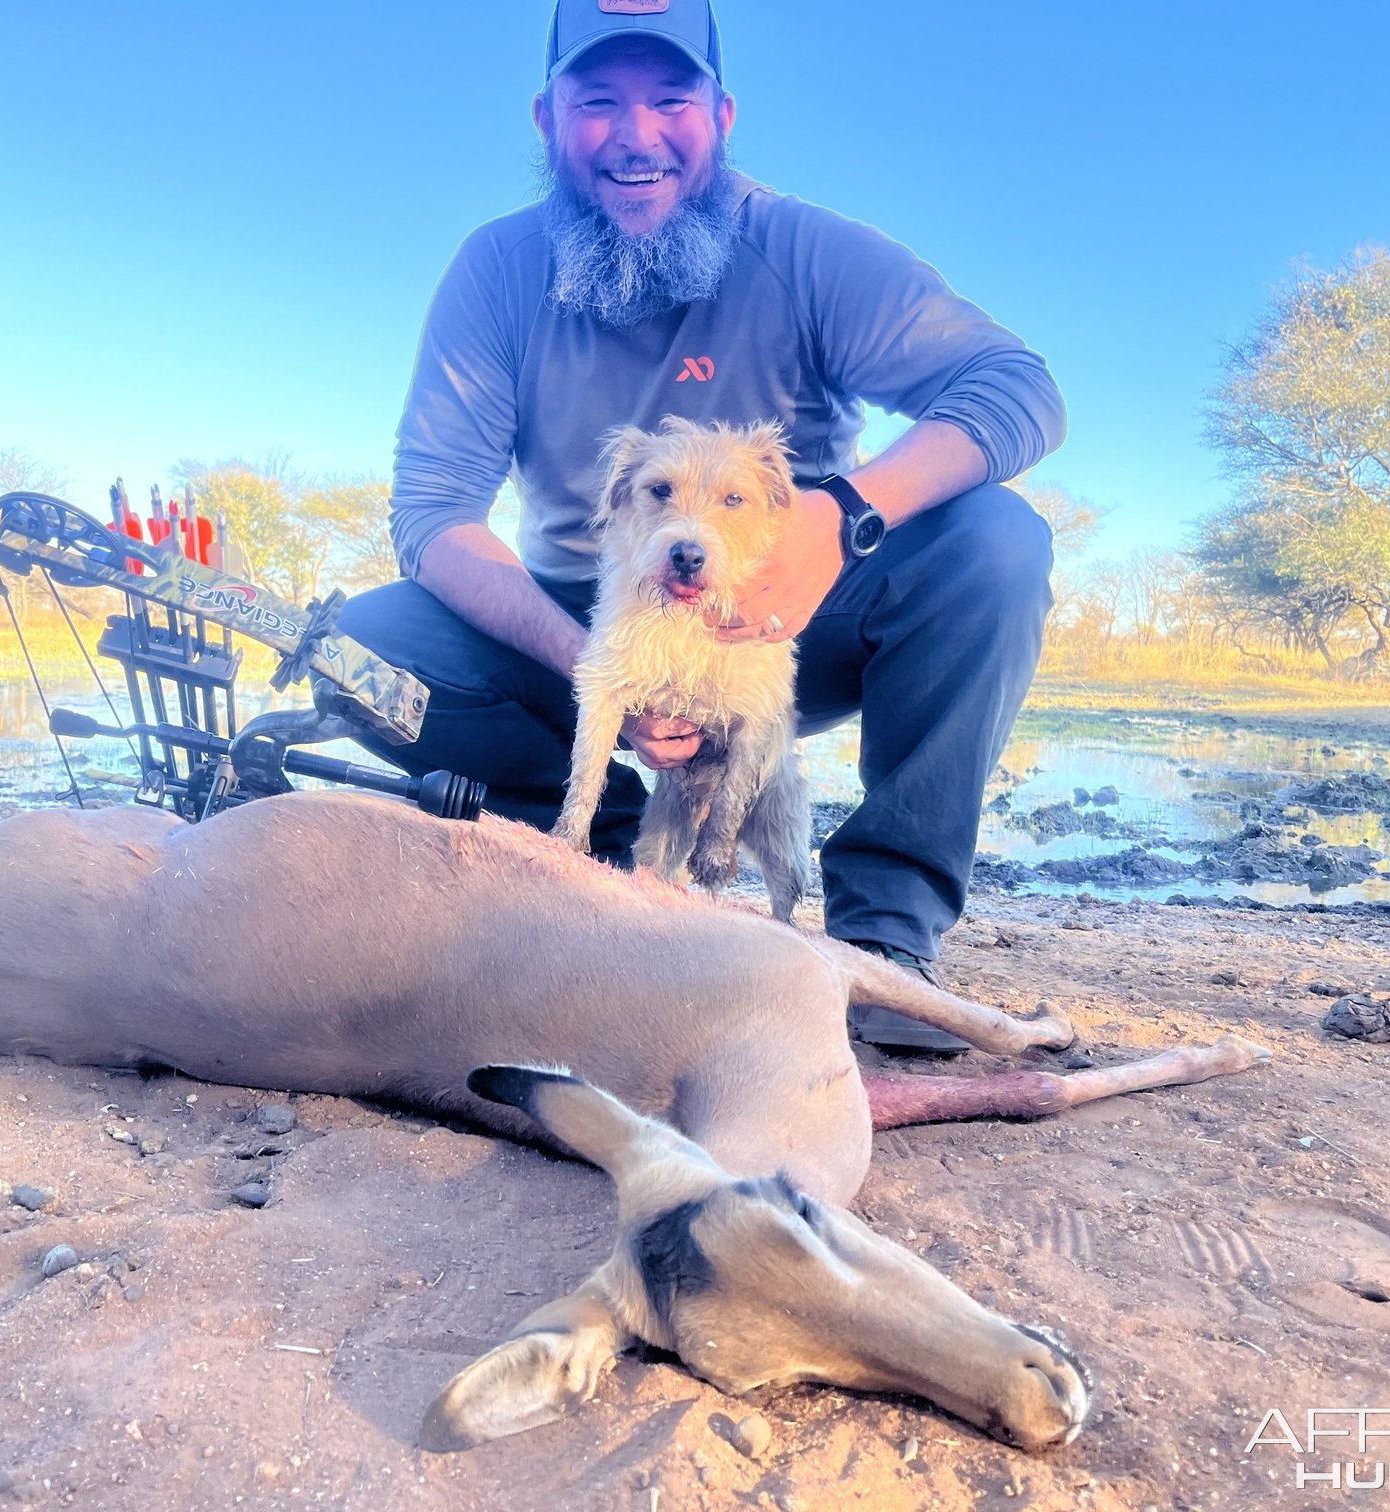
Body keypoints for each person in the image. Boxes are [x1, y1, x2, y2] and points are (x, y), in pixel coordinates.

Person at [339, 0, 1063, 1052]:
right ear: (547, 119)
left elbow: (1016, 387)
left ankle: (884, 940)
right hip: (585, 620)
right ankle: (607, 863)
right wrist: (593, 658)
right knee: (365, 642)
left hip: (772, 625)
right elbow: (434, 510)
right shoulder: (494, 271)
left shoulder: (804, 248)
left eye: (670, 99)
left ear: (720, 115)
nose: (636, 137)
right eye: (599, 103)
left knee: (997, 543)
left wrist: (843, 515)